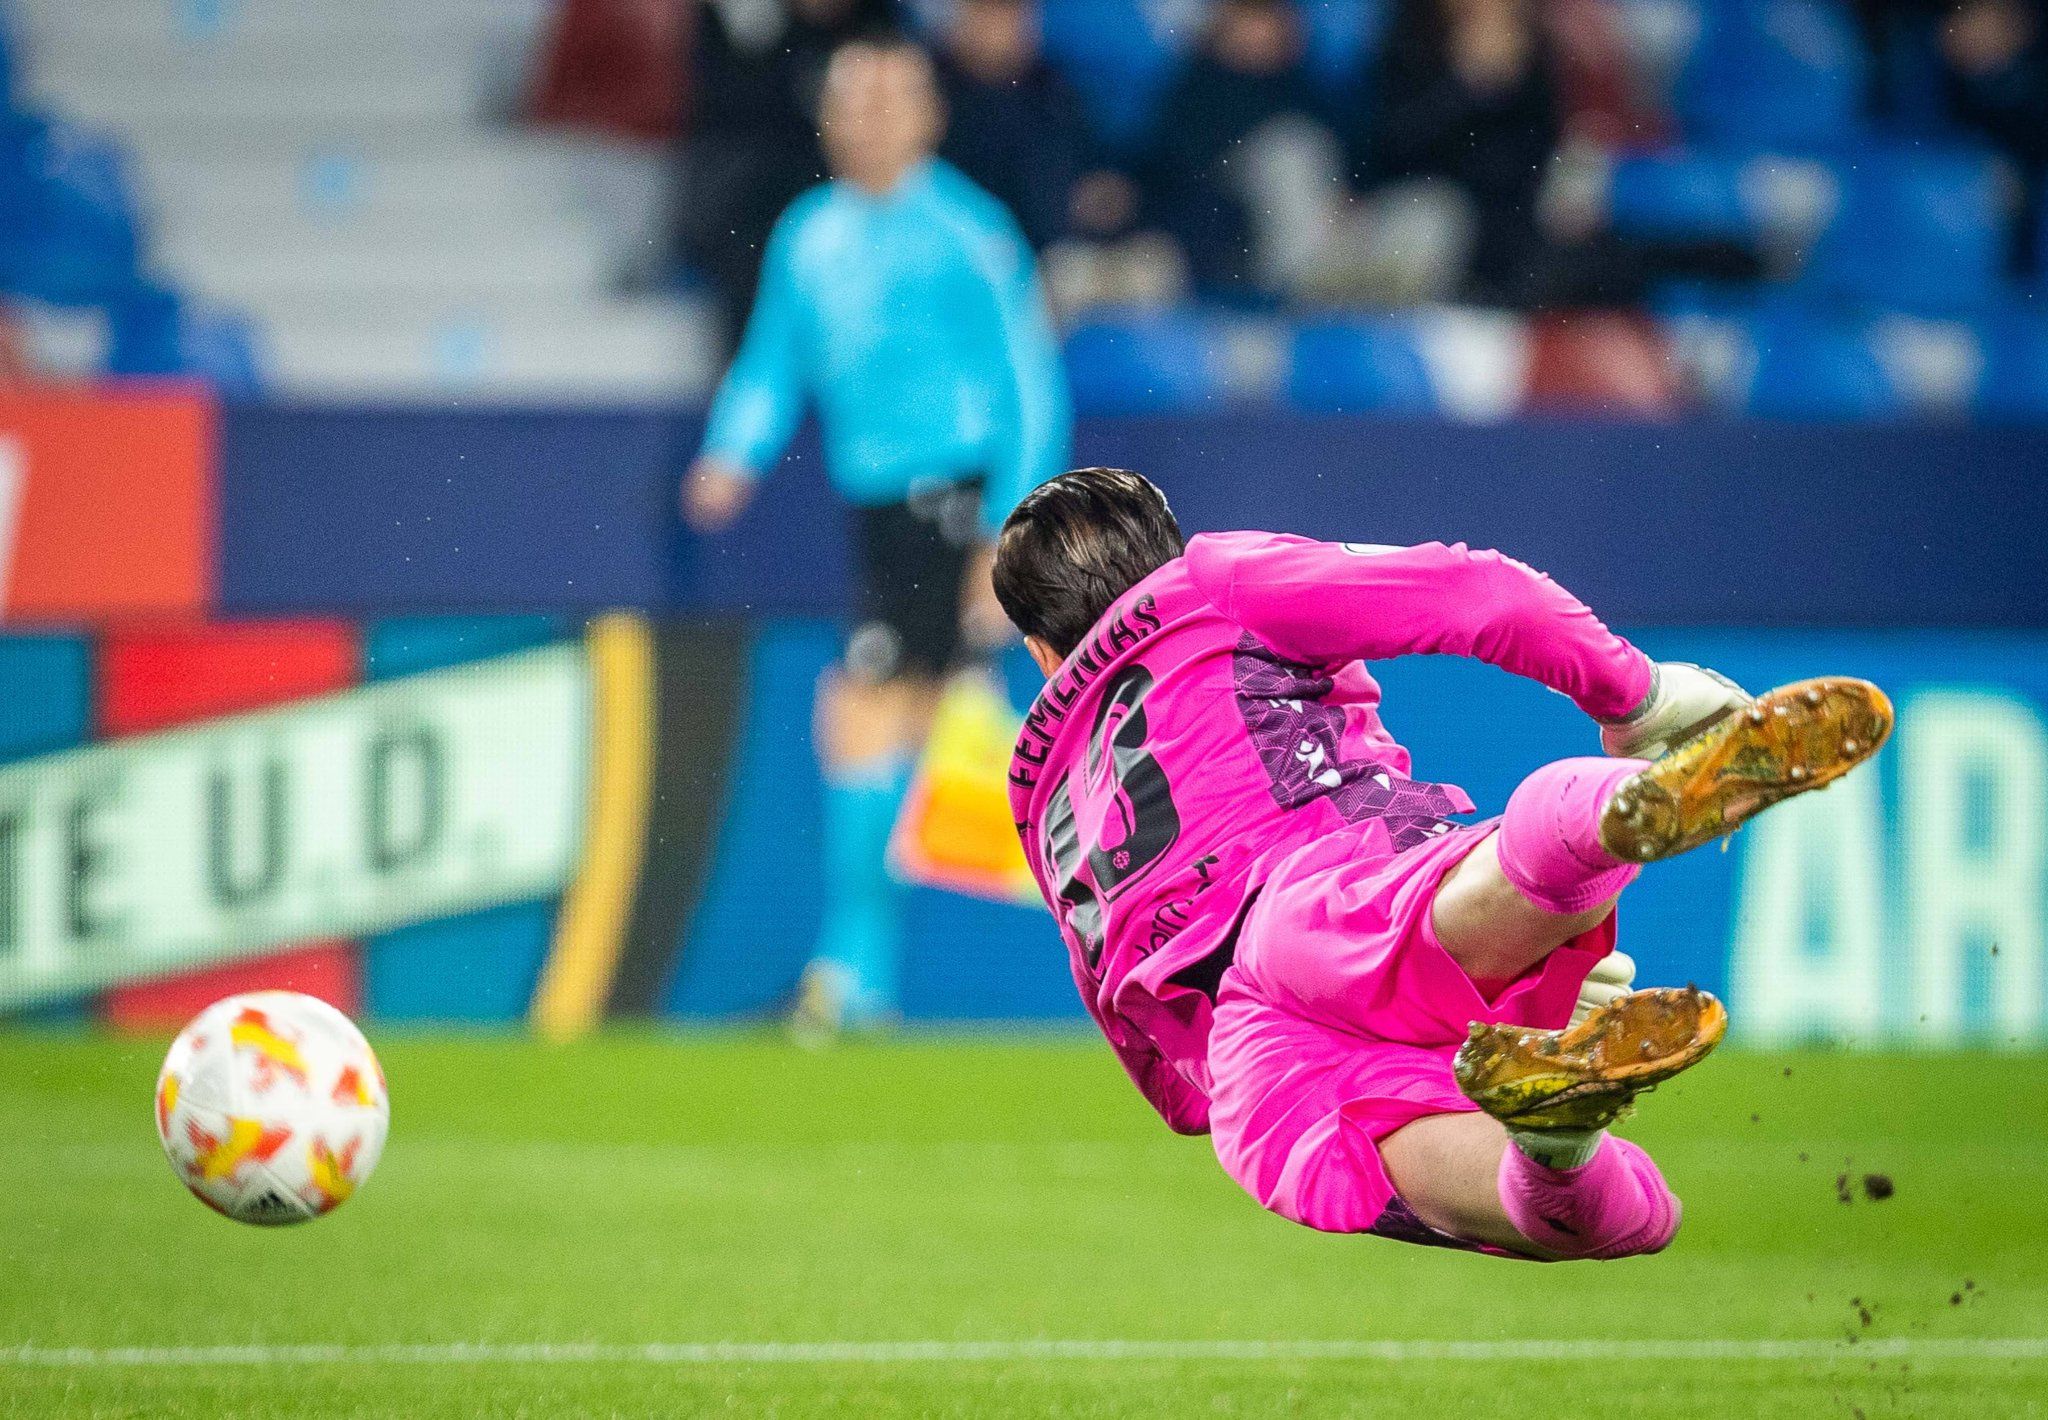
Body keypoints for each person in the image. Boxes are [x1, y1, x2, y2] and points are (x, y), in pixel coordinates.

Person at [991, 467, 1891, 1257]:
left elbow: (1142, 1046)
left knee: (1620, 1216)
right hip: (1316, 894)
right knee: (1516, 883)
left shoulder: (1037, 786)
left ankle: (1557, 1141)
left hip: (1254, 1063)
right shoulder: (1209, 582)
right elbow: (1482, 593)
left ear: (1039, 652)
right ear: (1164, 547)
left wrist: (1224, 1084)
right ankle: (1620, 811)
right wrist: (1635, 692)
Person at [685, 38, 1072, 1039]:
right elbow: (771, 362)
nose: (870, 117)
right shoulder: (809, 235)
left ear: (929, 115)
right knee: (908, 721)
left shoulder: (969, 232)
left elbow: (1031, 385)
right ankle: (865, 975)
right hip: (875, 508)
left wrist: (1009, 533)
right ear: (827, 116)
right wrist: (730, 452)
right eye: (853, 99)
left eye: (891, 98)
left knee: (869, 713)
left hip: (956, 496)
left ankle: (852, 972)